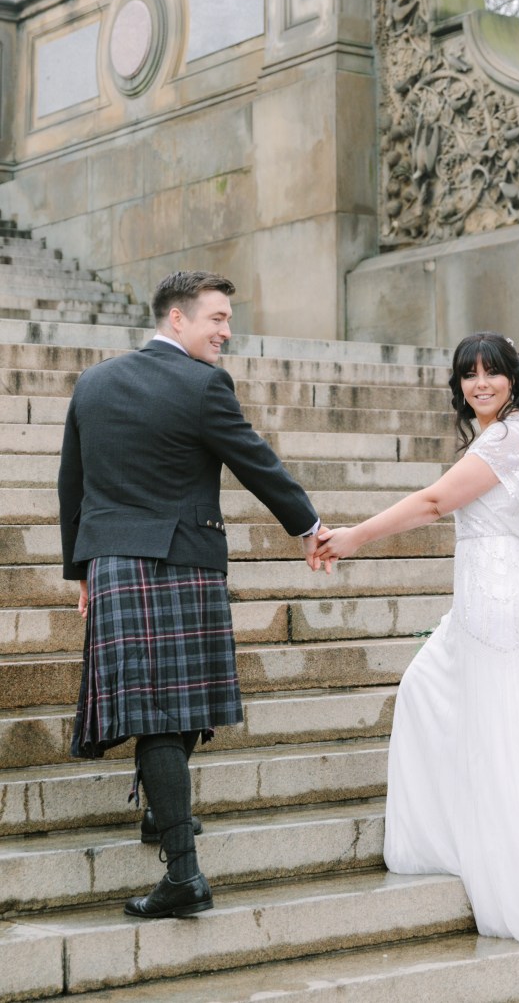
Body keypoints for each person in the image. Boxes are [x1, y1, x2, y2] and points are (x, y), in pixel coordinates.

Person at [309, 331, 519, 953]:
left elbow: (436, 502)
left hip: (501, 605)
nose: (480, 384)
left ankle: (509, 871)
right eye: (469, 374)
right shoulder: (505, 436)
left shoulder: (509, 437)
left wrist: (354, 536)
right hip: (489, 596)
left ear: (514, 380)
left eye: (493, 373)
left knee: (504, 733)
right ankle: (456, 840)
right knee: (429, 693)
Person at [59, 270, 323, 920]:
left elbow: (72, 485)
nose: (226, 331)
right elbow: (255, 461)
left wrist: (83, 571)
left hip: (116, 561)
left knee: (158, 708)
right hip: (182, 558)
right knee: (165, 711)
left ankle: (162, 814)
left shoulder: (92, 384)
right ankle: (183, 875)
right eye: (216, 318)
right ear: (176, 319)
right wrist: (311, 527)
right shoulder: (204, 384)